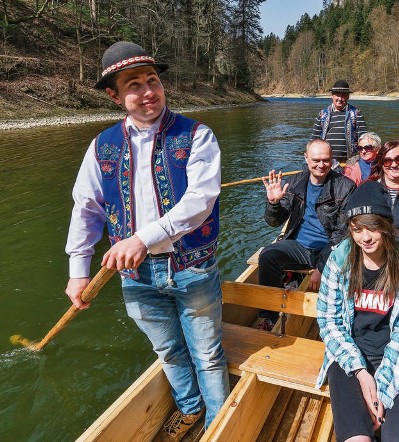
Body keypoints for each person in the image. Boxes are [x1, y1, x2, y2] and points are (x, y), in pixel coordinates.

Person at [64, 41, 228, 440]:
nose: (148, 91)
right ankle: (190, 409)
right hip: (134, 277)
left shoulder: (197, 135)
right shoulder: (101, 146)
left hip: (191, 268)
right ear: (115, 95)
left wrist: (142, 238)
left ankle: (220, 425)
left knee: (207, 355)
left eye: (152, 80)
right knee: (168, 352)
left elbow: (200, 201)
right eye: (133, 85)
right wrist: (78, 272)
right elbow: (86, 208)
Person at [316, 181, 399, 442]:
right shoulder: (339, 260)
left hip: (398, 358)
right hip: (348, 357)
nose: (365, 238)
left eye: (373, 228)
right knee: (358, 438)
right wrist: (361, 373)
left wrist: (382, 392)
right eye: (357, 230)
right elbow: (329, 320)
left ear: (386, 226)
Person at [258, 139, 355, 329]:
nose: (321, 165)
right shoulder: (294, 183)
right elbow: (274, 222)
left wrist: (321, 269)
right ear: (306, 158)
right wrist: (273, 203)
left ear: (332, 159)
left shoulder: (346, 187)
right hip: (300, 247)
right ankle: (269, 315)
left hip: (331, 251)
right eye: (316, 160)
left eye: (326, 160)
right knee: (267, 256)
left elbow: (341, 235)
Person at [312, 80, 367, 161]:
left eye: (343, 95)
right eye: (337, 95)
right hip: (326, 162)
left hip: (349, 161)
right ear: (332, 96)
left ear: (348, 96)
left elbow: (363, 138)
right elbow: (314, 139)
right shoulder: (322, 114)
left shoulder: (356, 114)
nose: (340, 99)